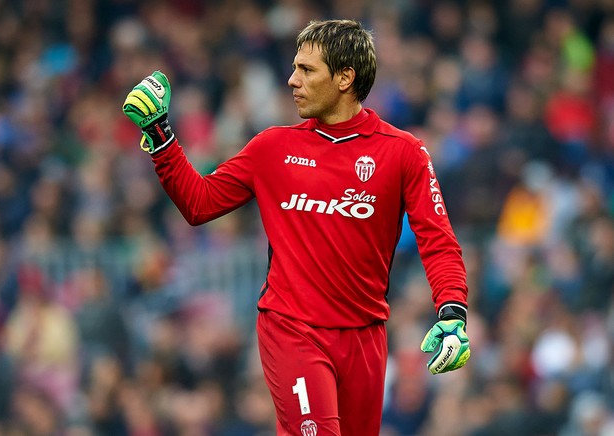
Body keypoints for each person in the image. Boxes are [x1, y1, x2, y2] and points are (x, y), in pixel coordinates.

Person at [123, 19, 470, 436]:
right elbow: (200, 203)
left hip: (365, 338)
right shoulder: (273, 147)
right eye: (294, 67)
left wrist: (452, 312)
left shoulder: (404, 154)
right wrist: (161, 137)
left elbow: (438, 241)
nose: (291, 80)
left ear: (345, 78)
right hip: (291, 327)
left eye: (307, 70)